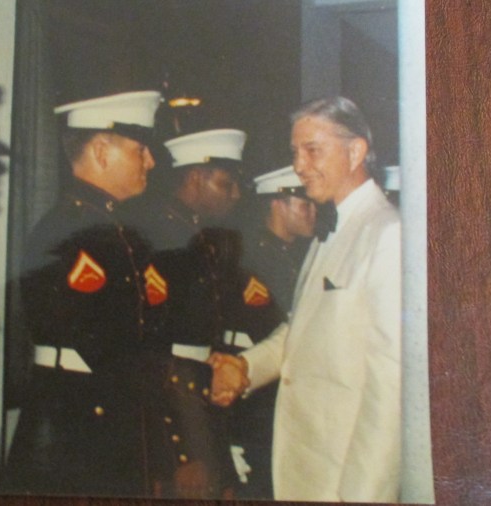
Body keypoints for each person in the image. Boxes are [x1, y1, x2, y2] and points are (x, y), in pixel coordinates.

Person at [209, 96, 402, 502]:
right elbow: (301, 331)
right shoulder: (330, 231)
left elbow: (391, 384)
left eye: (313, 150)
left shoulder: (387, 234)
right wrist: (246, 366)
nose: (299, 165)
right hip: (306, 469)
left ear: (356, 151)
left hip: (345, 478)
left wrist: (364, 494)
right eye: (295, 152)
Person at [5, 91, 164, 497]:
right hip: (70, 429)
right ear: (100, 151)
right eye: (140, 150)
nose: (151, 162)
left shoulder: (115, 230)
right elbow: (96, 338)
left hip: (105, 419)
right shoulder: (65, 230)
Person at [124, 129, 247, 499]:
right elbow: (152, 349)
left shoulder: (200, 235)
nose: (236, 194)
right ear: (196, 178)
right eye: (227, 184)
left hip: (200, 397)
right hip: (177, 407)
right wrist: (178, 450)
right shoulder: (160, 236)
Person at [219, 165, 315, 498]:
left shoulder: (306, 254)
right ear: (278, 203)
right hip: (257, 399)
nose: (312, 211)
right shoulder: (250, 258)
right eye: (304, 203)